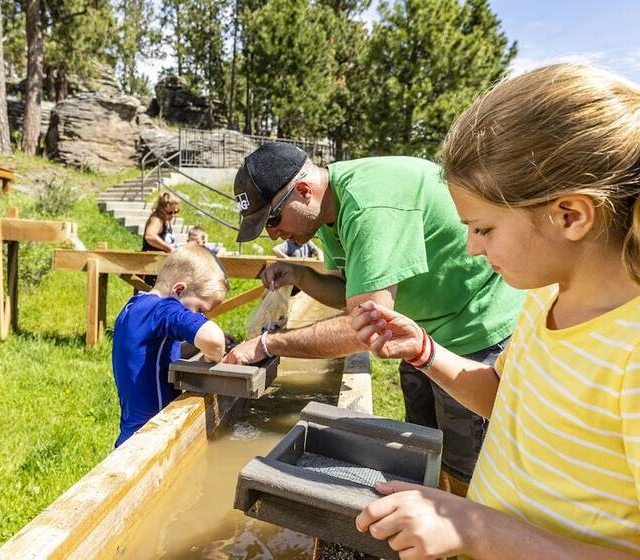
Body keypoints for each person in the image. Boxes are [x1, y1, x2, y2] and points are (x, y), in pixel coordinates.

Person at [350, 63, 640, 559]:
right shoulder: (544, 297)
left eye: (483, 228)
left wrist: (477, 530)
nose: (472, 248)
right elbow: (507, 401)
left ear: (570, 215)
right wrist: (424, 352)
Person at [225, 142, 524, 494]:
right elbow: (352, 292)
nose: (273, 234)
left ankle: (460, 519)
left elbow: (362, 328)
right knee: (423, 445)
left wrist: (267, 344)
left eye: (272, 219)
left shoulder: (369, 207)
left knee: (466, 465)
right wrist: (302, 276)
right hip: (420, 331)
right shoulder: (328, 211)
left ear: (304, 191)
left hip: (474, 326)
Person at [112, 244, 228, 447]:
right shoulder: (163, 308)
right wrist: (211, 356)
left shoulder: (136, 306)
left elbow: (155, 356)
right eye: (200, 310)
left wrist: (195, 347)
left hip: (132, 435)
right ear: (179, 290)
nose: (200, 317)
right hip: (152, 440)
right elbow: (214, 341)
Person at [140, 192, 181, 287]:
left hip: (162, 268)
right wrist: (169, 248)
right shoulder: (156, 219)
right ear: (161, 209)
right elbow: (150, 236)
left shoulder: (167, 220)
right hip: (151, 268)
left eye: (176, 212)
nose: (173, 215)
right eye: (170, 212)